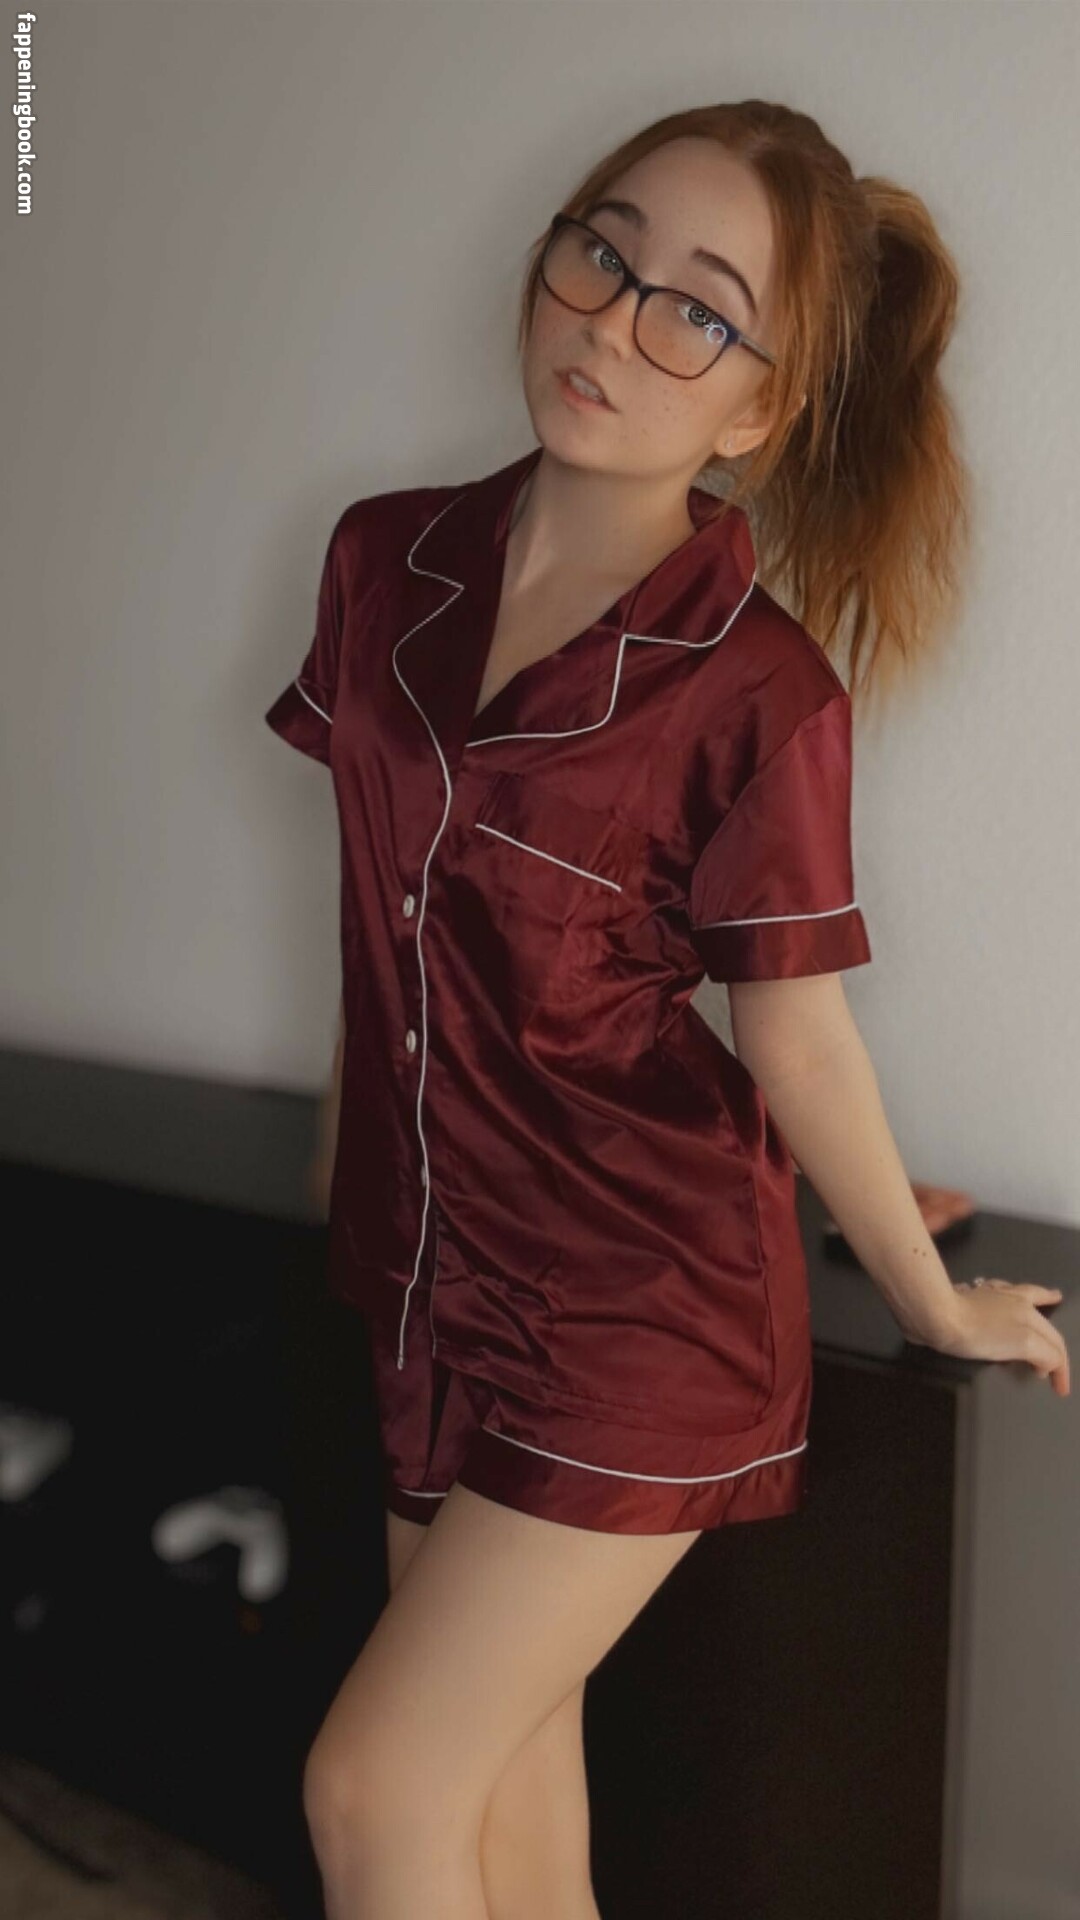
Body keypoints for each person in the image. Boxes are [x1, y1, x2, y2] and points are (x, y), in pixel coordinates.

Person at [265, 103, 1071, 1920]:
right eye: (602, 251)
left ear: (760, 411)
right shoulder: (381, 559)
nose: (615, 324)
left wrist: (927, 1292)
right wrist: (348, 1158)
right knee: (503, 1797)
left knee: (375, 1793)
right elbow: (388, 908)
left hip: (640, 1295)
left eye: (698, 311)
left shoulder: (761, 688)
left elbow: (797, 1034)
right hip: (425, 1265)